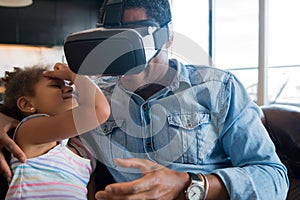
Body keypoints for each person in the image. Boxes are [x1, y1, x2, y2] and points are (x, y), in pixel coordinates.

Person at [0, 0, 289, 199]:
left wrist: (190, 186)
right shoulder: (92, 97)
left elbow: (274, 180)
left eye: (137, 36)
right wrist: (5, 117)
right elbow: (35, 108)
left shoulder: (218, 89)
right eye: (114, 39)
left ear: (168, 37)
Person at [0, 64, 110, 199]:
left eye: (69, 84)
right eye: (56, 86)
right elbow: (98, 110)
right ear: (27, 105)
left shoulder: (86, 152)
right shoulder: (29, 130)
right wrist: (74, 75)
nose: (70, 88)